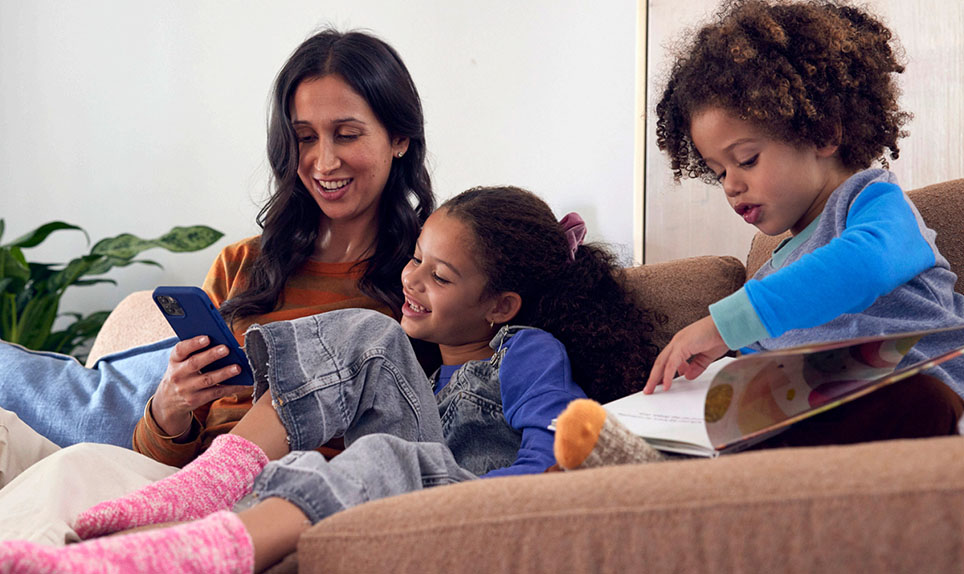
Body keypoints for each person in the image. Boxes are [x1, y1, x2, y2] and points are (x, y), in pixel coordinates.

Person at [0, 185, 661, 572]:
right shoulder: (424, 374)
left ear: (500, 307)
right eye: (416, 261)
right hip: (417, 481)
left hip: (472, 502)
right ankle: (206, 488)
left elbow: (559, 447)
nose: (412, 279)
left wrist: (488, 498)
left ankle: (206, 551)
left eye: (441, 276)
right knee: (367, 335)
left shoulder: (526, 348)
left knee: (382, 452)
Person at [0, 27, 434, 543]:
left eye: (347, 134)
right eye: (304, 138)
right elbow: (157, 464)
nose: (324, 161)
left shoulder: (422, 280)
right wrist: (171, 407)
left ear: (400, 138)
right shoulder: (245, 264)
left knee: (70, 472)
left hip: (276, 497)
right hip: (181, 485)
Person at [552, 0, 964, 471]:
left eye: (746, 159)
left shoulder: (873, 203)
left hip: (923, 405)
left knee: (913, 398)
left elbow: (864, 264)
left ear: (822, 134)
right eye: (718, 171)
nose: (730, 184)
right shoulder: (770, 274)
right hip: (808, 432)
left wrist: (723, 324)